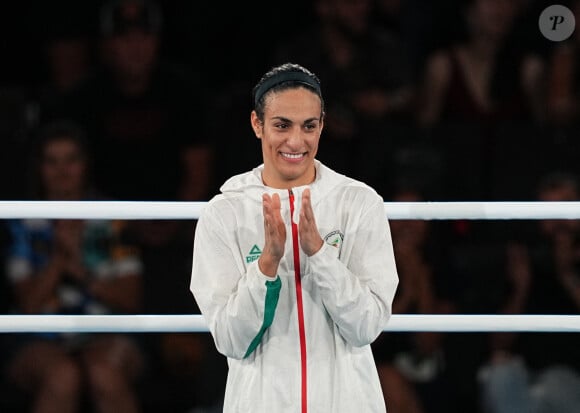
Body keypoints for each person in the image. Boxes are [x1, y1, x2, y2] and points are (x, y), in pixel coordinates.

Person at [189, 62, 399, 412]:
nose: (295, 141)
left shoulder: (359, 203)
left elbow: (367, 325)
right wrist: (266, 265)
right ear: (257, 124)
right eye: (282, 125)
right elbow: (230, 338)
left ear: (322, 126)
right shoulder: (224, 213)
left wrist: (319, 255)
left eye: (309, 126)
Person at [2, 120, 145, 413]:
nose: (62, 171)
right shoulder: (21, 220)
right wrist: (59, 258)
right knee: (62, 376)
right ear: (39, 168)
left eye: (71, 160)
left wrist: (80, 270)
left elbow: (130, 299)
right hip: (38, 336)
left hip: (108, 330)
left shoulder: (112, 217)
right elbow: (28, 304)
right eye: (52, 161)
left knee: (104, 372)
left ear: (85, 165)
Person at [478, 171, 580, 413]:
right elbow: (497, 344)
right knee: (499, 375)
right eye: (548, 211)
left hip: (571, 378)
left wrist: (567, 275)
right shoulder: (525, 259)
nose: (558, 222)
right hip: (524, 377)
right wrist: (521, 287)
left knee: (552, 384)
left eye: (565, 208)